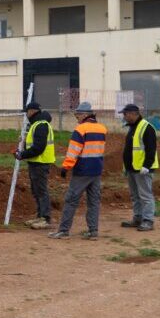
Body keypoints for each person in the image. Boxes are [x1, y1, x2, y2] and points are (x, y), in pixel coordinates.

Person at [50, 101, 106, 240]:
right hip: (97, 170)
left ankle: (63, 231)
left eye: (78, 115)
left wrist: (66, 167)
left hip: (82, 170)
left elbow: (74, 150)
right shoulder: (102, 128)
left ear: (85, 115)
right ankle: (93, 232)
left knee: (71, 200)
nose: (77, 118)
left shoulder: (80, 129)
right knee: (93, 202)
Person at [13, 101, 55, 230]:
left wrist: (22, 155)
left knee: (41, 191)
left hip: (41, 162)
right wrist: (24, 143)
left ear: (31, 111)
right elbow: (33, 144)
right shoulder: (36, 124)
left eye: (27, 112)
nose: (26, 114)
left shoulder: (41, 125)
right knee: (36, 190)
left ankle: (45, 218)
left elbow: (39, 148)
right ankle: (40, 215)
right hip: (35, 162)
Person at [119, 104, 158, 231]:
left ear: (133, 113)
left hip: (142, 169)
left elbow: (151, 149)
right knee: (135, 195)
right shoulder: (132, 127)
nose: (124, 117)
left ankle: (148, 220)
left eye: (125, 114)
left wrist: (147, 165)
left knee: (145, 195)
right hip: (132, 168)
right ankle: (138, 218)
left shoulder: (146, 127)